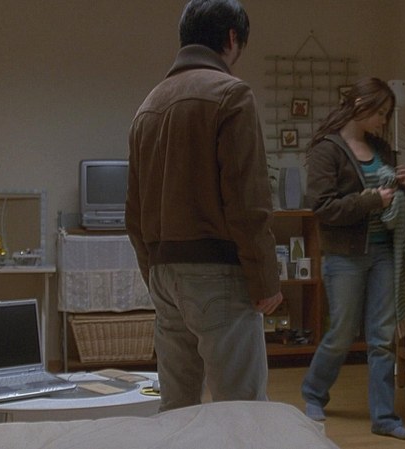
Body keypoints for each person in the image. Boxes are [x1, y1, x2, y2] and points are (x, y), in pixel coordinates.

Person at [126, 0, 283, 412]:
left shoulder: (148, 106)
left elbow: (134, 214)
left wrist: (155, 274)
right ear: (231, 38)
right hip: (218, 272)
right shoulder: (231, 94)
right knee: (242, 411)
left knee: (177, 409)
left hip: (164, 274)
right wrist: (265, 279)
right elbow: (247, 201)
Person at [301, 77, 405, 440]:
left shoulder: (381, 148)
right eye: (380, 112)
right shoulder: (327, 150)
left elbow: (395, 205)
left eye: (386, 113)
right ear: (359, 105)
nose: (383, 120)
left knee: (382, 338)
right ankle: (313, 392)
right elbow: (323, 208)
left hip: (384, 252)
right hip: (345, 256)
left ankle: (384, 417)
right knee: (341, 333)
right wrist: (371, 200)